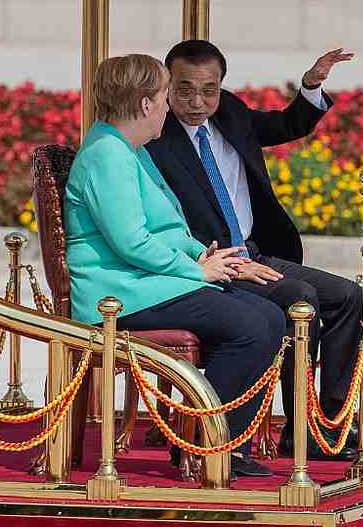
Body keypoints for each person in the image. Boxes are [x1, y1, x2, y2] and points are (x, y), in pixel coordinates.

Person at [146, 40, 363, 461]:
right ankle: (302, 430)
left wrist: (312, 85)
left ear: (221, 86)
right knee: (301, 298)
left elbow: (285, 126)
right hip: (210, 264)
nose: (197, 101)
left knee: (349, 297)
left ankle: (329, 423)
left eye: (208, 89)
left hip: (255, 252)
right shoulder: (154, 135)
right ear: (167, 86)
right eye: (184, 89)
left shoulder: (229, 111)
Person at [64, 53, 285, 478]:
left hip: (149, 282)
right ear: (146, 104)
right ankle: (208, 447)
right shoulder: (108, 153)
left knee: (267, 315)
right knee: (251, 325)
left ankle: (223, 445)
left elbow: (164, 228)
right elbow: (130, 242)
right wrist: (197, 272)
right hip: (121, 294)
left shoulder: (128, 147)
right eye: (166, 96)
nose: (170, 106)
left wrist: (204, 256)